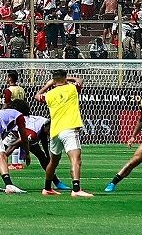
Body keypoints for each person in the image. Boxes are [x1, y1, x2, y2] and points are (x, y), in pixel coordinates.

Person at [38, 67, 92, 197]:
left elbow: (37, 96)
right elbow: (80, 80)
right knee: (76, 159)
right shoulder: (72, 89)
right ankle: (76, 189)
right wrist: (69, 78)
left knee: (53, 162)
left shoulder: (49, 94)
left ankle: (47, 188)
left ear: (54, 80)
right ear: (65, 78)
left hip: (55, 131)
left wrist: (47, 85)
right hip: (69, 129)